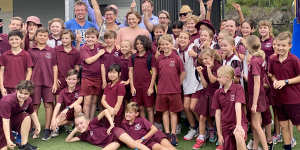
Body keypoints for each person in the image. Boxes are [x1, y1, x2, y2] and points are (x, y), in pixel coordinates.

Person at [268, 31, 300, 150]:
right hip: (279, 99)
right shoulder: (272, 59)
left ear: (290, 46)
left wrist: (285, 82)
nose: (280, 48)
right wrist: (275, 80)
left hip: (294, 99)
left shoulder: (294, 60)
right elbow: (271, 74)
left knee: (298, 126)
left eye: (283, 45)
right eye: (278, 45)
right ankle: (288, 148)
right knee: (283, 126)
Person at [28, 27, 59, 140]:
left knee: (48, 104)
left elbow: (55, 67)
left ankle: (47, 129)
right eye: (40, 35)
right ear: (36, 37)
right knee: (35, 105)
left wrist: (55, 82)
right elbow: (29, 68)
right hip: (34, 83)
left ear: (48, 37)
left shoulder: (51, 50)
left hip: (48, 82)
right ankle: (36, 128)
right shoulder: (31, 51)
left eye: (45, 35)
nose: (42, 37)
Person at [65, 110, 150, 150]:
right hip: (114, 142)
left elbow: (105, 111)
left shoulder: (93, 123)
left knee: (133, 145)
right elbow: (68, 140)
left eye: (81, 123)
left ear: (87, 122)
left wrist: (112, 124)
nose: (80, 126)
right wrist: (75, 129)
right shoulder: (83, 136)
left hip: (115, 132)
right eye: (77, 124)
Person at [156, 34, 185, 146]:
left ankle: (173, 133)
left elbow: (182, 72)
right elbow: (157, 74)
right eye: (162, 44)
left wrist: (178, 83)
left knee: (173, 112)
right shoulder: (159, 58)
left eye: (167, 44)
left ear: (171, 45)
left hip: (174, 90)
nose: (165, 46)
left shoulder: (176, 58)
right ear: (160, 46)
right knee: (164, 112)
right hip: (162, 90)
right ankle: (167, 133)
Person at [213, 66, 248, 150]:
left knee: (239, 135)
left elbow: (238, 106)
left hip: (238, 122)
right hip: (225, 127)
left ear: (228, 77)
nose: (218, 79)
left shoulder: (238, 88)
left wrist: (239, 125)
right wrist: (219, 134)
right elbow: (217, 115)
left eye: (220, 77)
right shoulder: (217, 93)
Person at [193, 49, 222, 149]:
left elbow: (213, 81)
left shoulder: (218, 66)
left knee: (219, 117)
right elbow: (205, 85)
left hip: (218, 94)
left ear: (212, 58)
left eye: (206, 58)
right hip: (207, 93)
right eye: (203, 59)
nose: (204, 61)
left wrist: (209, 69)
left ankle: (221, 138)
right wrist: (201, 73)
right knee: (202, 116)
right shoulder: (204, 68)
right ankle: (202, 137)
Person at [175, 32, 201, 141]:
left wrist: (196, 55)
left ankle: (203, 128)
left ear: (189, 39)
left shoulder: (193, 47)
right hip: (186, 82)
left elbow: (203, 57)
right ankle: (193, 127)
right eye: (181, 37)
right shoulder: (176, 51)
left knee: (192, 107)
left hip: (196, 81)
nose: (182, 39)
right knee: (185, 107)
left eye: (185, 37)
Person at [0, 80, 40, 150]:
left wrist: (38, 125)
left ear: (30, 93)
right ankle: (11, 138)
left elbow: (32, 113)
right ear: (17, 90)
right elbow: (5, 121)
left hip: (12, 120)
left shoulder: (29, 100)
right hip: (2, 122)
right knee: (4, 148)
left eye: (26, 94)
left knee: (26, 117)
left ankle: (24, 145)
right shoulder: (7, 101)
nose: (22, 96)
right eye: (20, 92)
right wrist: (8, 139)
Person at [246, 35, 269, 150]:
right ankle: (255, 147)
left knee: (255, 124)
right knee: (257, 124)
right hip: (258, 94)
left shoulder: (255, 60)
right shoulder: (259, 58)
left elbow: (257, 83)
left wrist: (254, 103)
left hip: (256, 95)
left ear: (247, 46)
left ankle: (265, 148)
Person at [129, 35, 157, 123]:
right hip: (136, 86)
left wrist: (151, 87)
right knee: (140, 108)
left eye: (141, 43)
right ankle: (144, 126)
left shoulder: (150, 57)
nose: (139, 45)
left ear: (145, 44)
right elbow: (130, 72)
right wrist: (132, 87)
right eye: (137, 44)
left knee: (149, 108)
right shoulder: (133, 57)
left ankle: (151, 127)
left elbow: (154, 73)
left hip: (147, 86)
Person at [79, 28, 105, 120]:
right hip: (87, 78)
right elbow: (89, 61)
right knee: (87, 101)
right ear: (85, 38)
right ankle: (85, 122)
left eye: (92, 37)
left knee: (94, 101)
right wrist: (99, 54)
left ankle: (90, 121)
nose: (90, 39)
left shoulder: (98, 46)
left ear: (96, 39)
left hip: (97, 78)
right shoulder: (83, 48)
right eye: (87, 37)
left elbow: (106, 44)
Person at [0, 30, 33, 95]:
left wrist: (25, 85)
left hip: (20, 87)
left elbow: (29, 71)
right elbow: (1, 72)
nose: (14, 41)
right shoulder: (5, 55)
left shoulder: (26, 55)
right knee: (7, 104)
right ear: (8, 41)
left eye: (17, 39)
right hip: (7, 87)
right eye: (11, 39)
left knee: (19, 105)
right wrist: (1, 87)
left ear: (21, 40)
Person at [50, 69, 81, 137]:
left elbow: (79, 100)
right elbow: (58, 105)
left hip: (79, 114)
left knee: (77, 107)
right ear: (66, 79)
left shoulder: (80, 89)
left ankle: (76, 129)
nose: (71, 81)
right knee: (55, 123)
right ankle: (71, 124)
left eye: (74, 79)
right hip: (68, 114)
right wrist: (53, 119)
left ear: (78, 80)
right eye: (69, 79)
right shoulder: (63, 91)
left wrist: (67, 108)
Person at [54, 29, 80, 99]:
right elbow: (54, 66)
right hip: (59, 80)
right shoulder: (56, 49)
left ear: (71, 39)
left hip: (70, 80)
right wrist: (55, 79)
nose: (64, 40)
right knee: (58, 102)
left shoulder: (76, 52)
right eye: (62, 38)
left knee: (69, 101)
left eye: (66, 38)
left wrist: (75, 80)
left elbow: (76, 67)